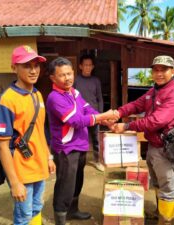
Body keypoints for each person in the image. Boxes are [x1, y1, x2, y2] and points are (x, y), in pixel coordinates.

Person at [112, 55, 174, 225]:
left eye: (164, 69)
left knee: (167, 188)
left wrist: (126, 126)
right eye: (156, 70)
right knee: (157, 184)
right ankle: (158, 211)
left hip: (167, 148)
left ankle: (165, 221)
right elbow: (137, 105)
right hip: (153, 145)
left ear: (173, 71)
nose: (159, 73)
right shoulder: (154, 91)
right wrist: (118, 113)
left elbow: (156, 121)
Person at [46, 57, 116, 225]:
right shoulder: (55, 97)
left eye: (69, 73)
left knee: (77, 181)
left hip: (80, 145)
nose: (67, 78)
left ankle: (73, 211)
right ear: (53, 78)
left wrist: (103, 120)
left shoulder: (74, 92)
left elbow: (86, 109)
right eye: (62, 75)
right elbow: (76, 121)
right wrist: (102, 116)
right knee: (65, 185)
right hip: (66, 149)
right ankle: (60, 219)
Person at [0, 45, 56, 225]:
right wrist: (14, 183)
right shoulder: (7, 100)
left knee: (37, 208)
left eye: (36, 65)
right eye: (26, 65)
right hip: (21, 170)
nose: (33, 70)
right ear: (14, 68)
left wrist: (48, 157)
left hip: (39, 166)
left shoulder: (37, 95)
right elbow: (2, 146)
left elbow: (40, 131)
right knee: (23, 217)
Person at [74, 54, 104, 171]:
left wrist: (100, 114)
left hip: (95, 114)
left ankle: (97, 161)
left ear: (93, 67)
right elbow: (73, 98)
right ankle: (80, 162)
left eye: (90, 65)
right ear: (80, 66)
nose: (88, 67)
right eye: (85, 65)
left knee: (96, 139)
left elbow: (100, 98)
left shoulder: (96, 80)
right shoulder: (76, 80)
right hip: (81, 116)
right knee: (80, 139)